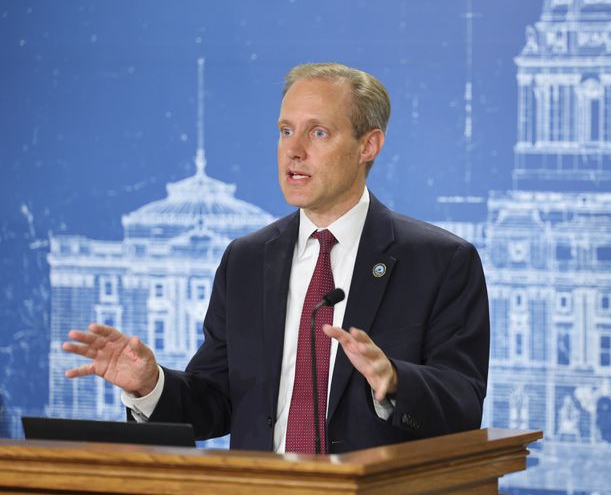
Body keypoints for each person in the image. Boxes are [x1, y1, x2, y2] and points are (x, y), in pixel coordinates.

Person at [63, 62, 490, 454]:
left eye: (318, 132)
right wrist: (150, 386)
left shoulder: (440, 261)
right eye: (286, 131)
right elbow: (216, 400)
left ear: (369, 145)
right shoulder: (246, 260)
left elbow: (463, 403)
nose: (294, 150)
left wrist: (394, 381)